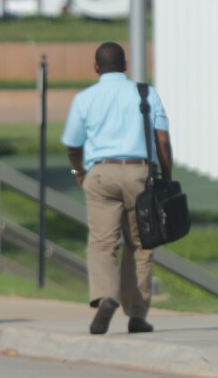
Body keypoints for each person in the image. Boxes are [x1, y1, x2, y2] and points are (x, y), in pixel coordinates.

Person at [61, 42, 173, 335]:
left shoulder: (84, 98)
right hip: (139, 172)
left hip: (99, 174)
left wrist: (78, 172)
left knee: (102, 243)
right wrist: (166, 175)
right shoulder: (146, 94)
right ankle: (137, 314)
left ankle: (106, 298)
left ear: (96, 67)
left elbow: (73, 145)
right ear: (126, 66)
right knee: (140, 243)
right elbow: (162, 139)